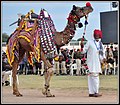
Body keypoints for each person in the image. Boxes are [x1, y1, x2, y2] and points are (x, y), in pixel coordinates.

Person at [81, 29, 106, 97]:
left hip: (98, 63)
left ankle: (93, 92)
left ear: (100, 35)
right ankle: (93, 92)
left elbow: (103, 54)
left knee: (95, 77)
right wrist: (82, 46)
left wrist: (104, 59)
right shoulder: (89, 42)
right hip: (91, 63)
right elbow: (83, 51)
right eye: (95, 35)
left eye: (97, 35)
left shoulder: (101, 44)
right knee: (91, 77)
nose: (96, 36)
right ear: (93, 35)